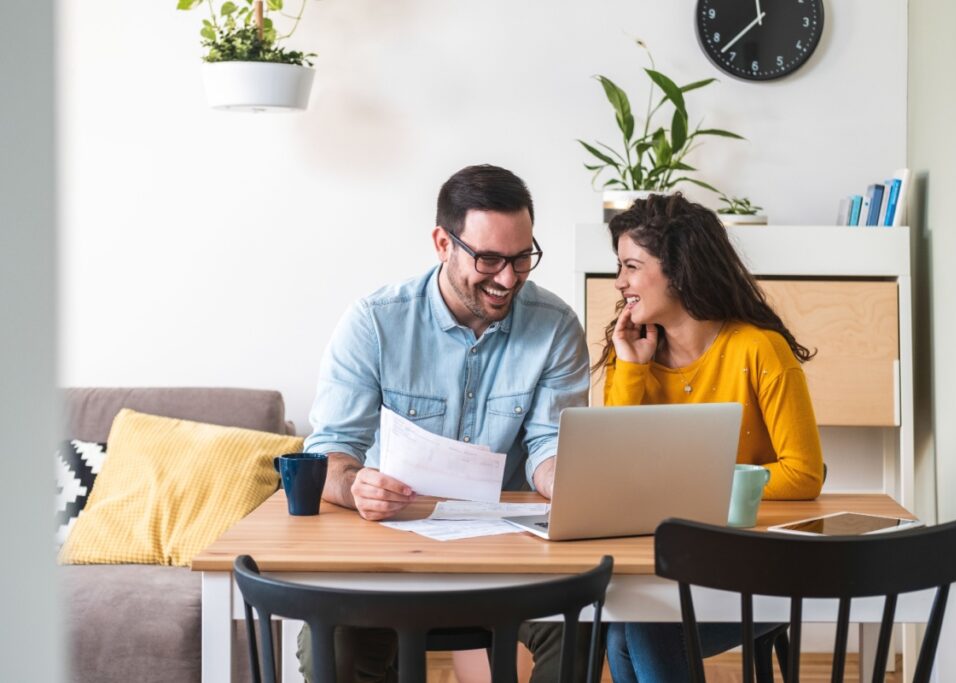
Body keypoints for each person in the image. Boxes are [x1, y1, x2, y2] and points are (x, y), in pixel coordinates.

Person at [300, 164, 593, 683]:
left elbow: (550, 444)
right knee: (333, 649)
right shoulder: (374, 322)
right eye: (489, 259)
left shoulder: (556, 327)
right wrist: (355, 487)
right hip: (388, 552)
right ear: (442, 243)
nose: (508, 279)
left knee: (584, 629)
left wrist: (569, 481)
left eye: (522, 258)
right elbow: (330, 455)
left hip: (513, 557)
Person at [596, 192, 824, 683]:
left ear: (678, 270)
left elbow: (803, 473)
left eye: (632, 266)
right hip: (669, 568)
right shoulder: (633, 354)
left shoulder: (760, 349)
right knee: (622, 627)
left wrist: (693, 494)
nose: (621, 283)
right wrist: (632, 371)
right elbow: (614, 472)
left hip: (760, 572)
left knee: (644, 628)